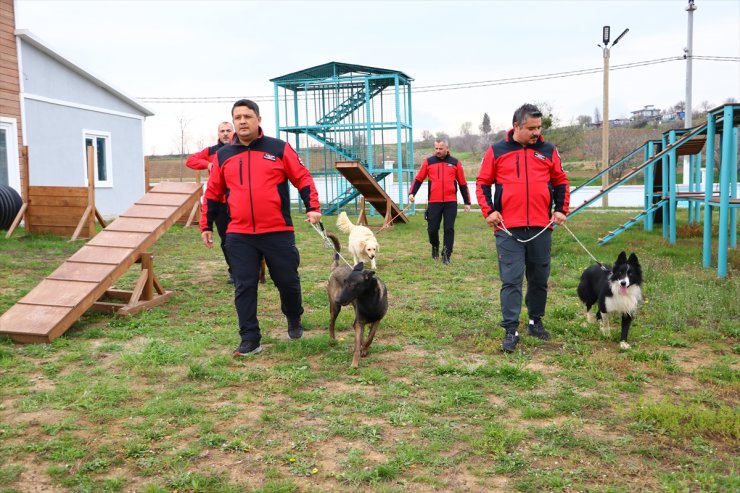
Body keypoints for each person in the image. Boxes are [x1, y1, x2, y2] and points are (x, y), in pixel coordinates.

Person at [201, 99, 322, 357]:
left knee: (287, 281)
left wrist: (312, 206)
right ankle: (250, 338)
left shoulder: (278, 148)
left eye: (247, 116)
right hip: (239, 233)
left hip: (277, 230)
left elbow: (302, 177)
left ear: (258, 119)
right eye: (237, 117)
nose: (242, 121)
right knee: (244, 285)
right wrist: (206, 224)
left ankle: (293, 317)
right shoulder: (223, 155)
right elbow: (213, 192)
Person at [476, 104, 570, 353]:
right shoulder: (497, 151)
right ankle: (510, 329)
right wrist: (489, 212)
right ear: (516, 126)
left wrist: (561, 209)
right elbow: (483, 183)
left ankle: (534, 321)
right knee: (511, 279)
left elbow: (560, 180)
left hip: (541, 226)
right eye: (531, 128)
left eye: (539, 127)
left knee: (539, 278)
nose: (536, 132)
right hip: (507, 228)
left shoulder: (548, 150)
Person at [408, 138, 471, 265]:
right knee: (432, 229)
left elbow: (463, 183)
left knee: (449, 229)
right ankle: (435, 246)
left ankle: (446, 255)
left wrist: (467, 202)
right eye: (436, 148)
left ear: (447, 148)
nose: (438, 151)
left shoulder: (455, 163)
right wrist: (412, 193)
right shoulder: (428, 162)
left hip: (450, 202)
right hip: (434, 202)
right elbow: (419, 179)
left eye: (440, 148)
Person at [187, 121, 235, 283]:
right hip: (219, 203)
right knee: (226, 240)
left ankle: (251, 268)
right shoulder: (212, 151)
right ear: (219, 134)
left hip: (238, 202)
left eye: (229, 130)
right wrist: (208, 164)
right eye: (223, 131)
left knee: (242, 239)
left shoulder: (240, 148)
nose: (226, 133)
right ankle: (234, 272)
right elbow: (191, 161)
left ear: (233, 132)